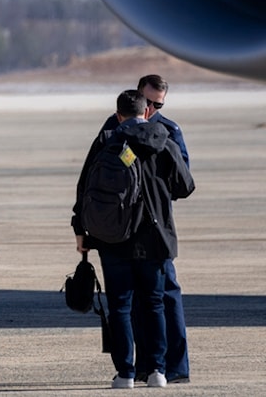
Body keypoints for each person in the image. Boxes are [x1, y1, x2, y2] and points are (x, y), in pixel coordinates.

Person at [73, 90, 194, 389]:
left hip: (114, 237)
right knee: (154, 305)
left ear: (118, 115)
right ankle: (157, 372)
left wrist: (80, 229)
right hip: (154, 238)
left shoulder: (107, 140)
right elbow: (185, 186)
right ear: (147, 112)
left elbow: (85, 187)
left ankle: (126, 373)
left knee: (121, 307)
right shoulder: (163, 140)